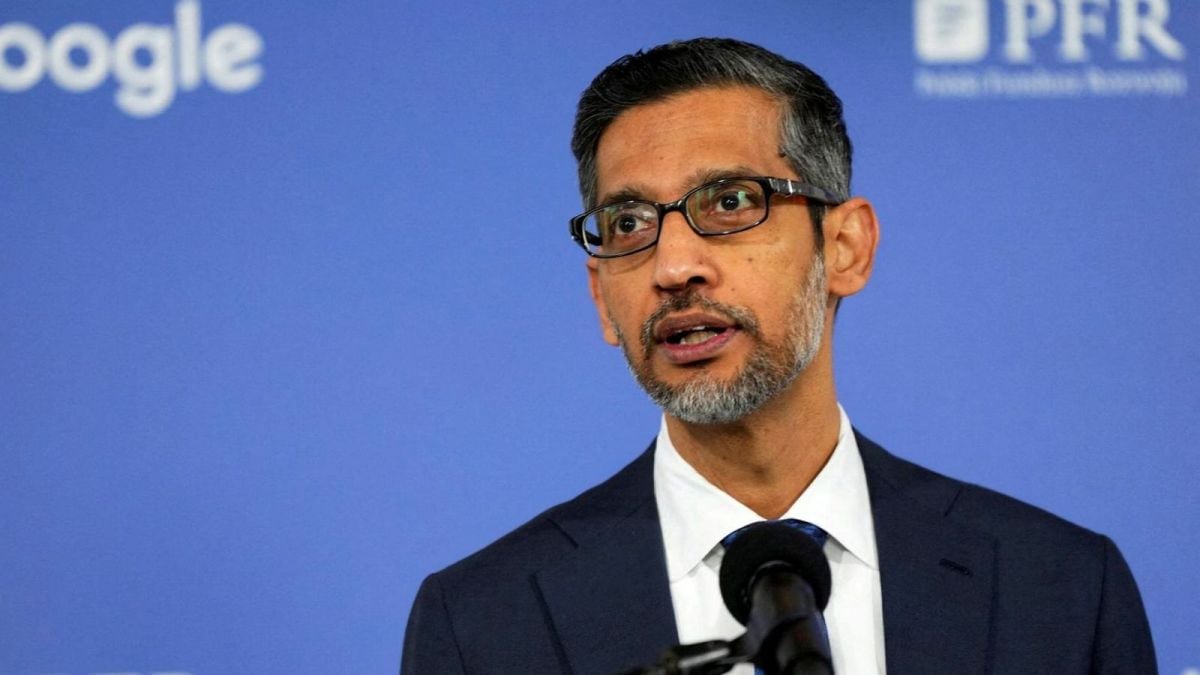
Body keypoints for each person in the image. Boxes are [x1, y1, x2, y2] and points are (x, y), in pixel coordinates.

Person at [401, 38, 1155, 674]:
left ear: (846, 247)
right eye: (628, 221)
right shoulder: (482, 625)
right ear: (602, 297)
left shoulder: (1058, 588)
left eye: (729, 202)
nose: (674, 266)